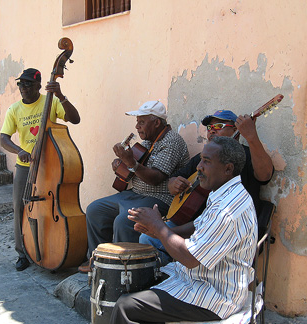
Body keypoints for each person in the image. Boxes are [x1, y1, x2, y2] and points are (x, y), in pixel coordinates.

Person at [111, 136, 257, 323]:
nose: (199, 167)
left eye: (207, 161)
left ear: (228, 169)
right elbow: (199, 224)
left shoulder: (227, 210)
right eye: (201, 159)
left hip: (215, 295)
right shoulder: (226, 193)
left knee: (126, 306)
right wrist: (160, 230)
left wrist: (158, 226)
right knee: (139, 276)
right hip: (200, 279)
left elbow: (190, 259)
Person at [140, 109, 274, 265]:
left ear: (236, 129)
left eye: (218, 125)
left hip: (217, 234)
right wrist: (173, 183)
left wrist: (252, 138)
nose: (212, 131)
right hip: (193, 222)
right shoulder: (203, 157)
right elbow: (174, 179)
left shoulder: (246, 156)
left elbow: (264, 176)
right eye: (209, 128)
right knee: (146, 237)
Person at [78, 101, 189, 273]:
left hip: (159, 199)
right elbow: (131, 170)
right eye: (137, 122)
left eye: (141, 122)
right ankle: (98, 262)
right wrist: (120, 165)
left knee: (124, 221)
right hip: (134, 193)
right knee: (95, 210)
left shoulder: (172, 141)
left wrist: (130, 162)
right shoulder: (146, 142)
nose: (137, 126)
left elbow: (155, 178)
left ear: (157, 122)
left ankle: (122, 271)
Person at [0, 68, 80, 271]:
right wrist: (19, 151)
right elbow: (3, 139)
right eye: (21, 84)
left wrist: (61, 96)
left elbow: (74, 118)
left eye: (28, 84)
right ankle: (22, 252)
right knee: (20, 206)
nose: (23, 88)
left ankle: (53, 246)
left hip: (51, 166)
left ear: (38, 86)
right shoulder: (14, 110)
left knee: (51, 206)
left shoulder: (50, 102)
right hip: (27, 167)